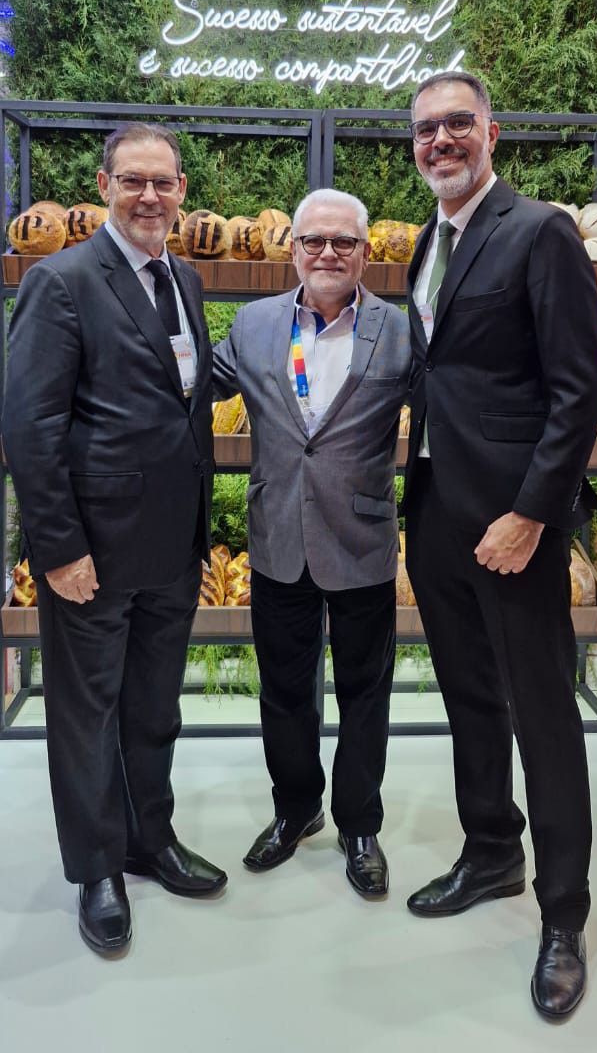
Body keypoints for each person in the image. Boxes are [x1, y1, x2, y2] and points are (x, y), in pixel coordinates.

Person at [402, 72, 597, 1018]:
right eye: (425, 130)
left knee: (543, 713)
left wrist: (532, 513)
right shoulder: (428, 250)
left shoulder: (539, 232)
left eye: (457, 126)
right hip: (440, 511)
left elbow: (580, 390)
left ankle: (563, 911)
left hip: (513, 523)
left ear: (491, 134)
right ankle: (491, 851)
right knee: (470, 698)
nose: (441, 141)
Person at [2, 123, 226, 957]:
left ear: (180, 189)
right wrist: (57, 549)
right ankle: (96, 868)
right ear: (103, 185)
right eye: (132, 181)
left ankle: (149, 840)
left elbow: (180, 398)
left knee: (152, 708)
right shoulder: (62, 281)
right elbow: (30, 427)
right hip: (91, 551)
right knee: (87, 713)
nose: (149, 197)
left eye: (163, 183)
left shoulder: (187, 278)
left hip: (173, 547)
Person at [213, 189, 410, 898]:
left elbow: (456, 404)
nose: (329, 253)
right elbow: (186, 380)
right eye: (315, 241)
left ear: (365, 252)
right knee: (285, 691)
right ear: (292, 248)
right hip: (277, 539)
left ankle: (360, 824)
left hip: (359, 538)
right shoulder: (256, 322)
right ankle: (296, 809)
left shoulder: (399, 330)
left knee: (365, 691)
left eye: (344, 242)